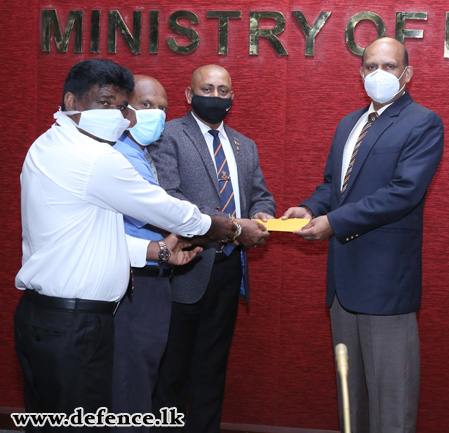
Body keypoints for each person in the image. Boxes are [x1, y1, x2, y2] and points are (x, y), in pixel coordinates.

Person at [13, 59, 268, 430]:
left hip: (42, 316)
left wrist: (155, 251)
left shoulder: (45, 144)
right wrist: (231, 230)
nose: (115, 115)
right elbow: (174, 214)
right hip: (75, 324)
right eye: (104, 103)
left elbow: (85, 235)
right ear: (70, 100)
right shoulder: (97, 159)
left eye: (118, 106)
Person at [282, 37, 444, 433]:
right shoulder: (348, 123)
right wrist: (311, 207)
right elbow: (332, 186)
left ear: (408, 74)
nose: (379, 74)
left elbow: (403, 192)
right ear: (360, 73)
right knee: (350, 398)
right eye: (371, 66)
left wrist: (334, 222)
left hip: (385, 281)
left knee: (391, 401)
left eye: (389, 66)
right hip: (343, 282)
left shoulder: (422, 121)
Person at [149, 64, 275, 433]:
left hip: (227, 271)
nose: (215, 97)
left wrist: (262, 213)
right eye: (207, 89)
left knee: (212, 367)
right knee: (172, 370)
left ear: (232, 97)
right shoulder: (168, 136)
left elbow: (259, 195)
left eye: (223, 91)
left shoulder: (244, 145)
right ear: (189, 95)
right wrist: (236, 229)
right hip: (184, 266)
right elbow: (168, 197)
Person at [111, 75, 173, 432]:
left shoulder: (140, 153)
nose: (158, 115)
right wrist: (224, 226)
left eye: (163, 108)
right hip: (135, 282)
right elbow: (159, 214)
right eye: (148, 105)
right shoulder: (120, 156)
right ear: (124, 108)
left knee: (141, 379)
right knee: (129, 385)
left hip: (153, 275)